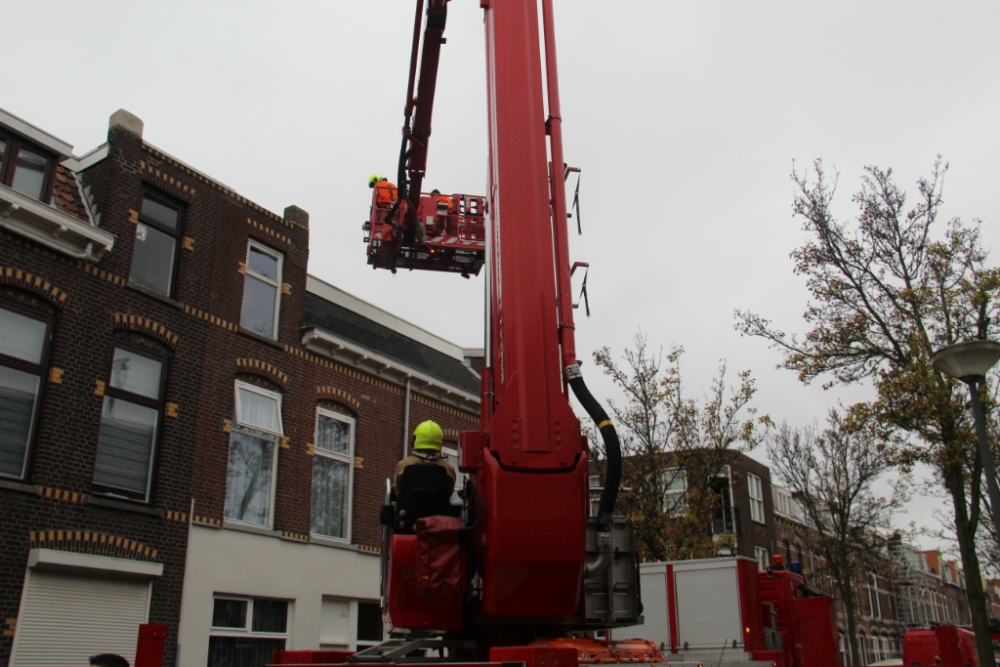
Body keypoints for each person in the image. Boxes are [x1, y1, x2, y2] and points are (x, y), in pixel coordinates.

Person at [393, 420, 457, 494]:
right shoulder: (449, 469)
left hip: (408, 505)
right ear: (440, 442)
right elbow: (449, 493)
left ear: (415, 440)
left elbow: (397, 492)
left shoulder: (402, 466)